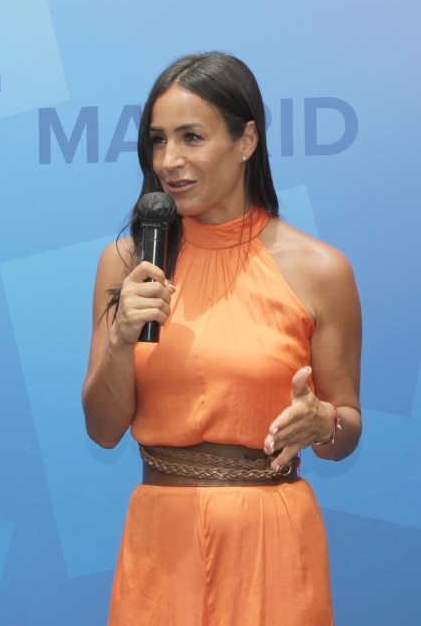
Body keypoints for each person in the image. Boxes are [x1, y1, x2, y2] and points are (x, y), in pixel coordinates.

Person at [82, 52, 362, 625]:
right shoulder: (127, 263)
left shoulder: (319, 269)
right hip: (161, 545)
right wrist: (120, 340)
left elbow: (345, 431)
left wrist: (324, 422)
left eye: (192, 137)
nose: (170, 161)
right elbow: (103, 430)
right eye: (158, 141)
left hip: (271, 540)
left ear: (246, 140)